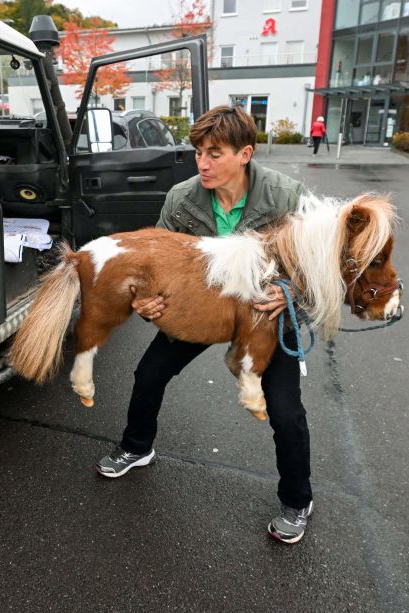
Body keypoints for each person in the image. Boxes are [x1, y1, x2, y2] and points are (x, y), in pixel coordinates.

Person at [94, 104, 315, 545]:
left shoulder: (288, 197)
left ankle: (297, 500)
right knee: (148, 374)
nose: (203, 163)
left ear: (246, 153)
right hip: (203, 308)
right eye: (198, 152)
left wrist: (289, 292)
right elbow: (153, 259)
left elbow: (317, 267)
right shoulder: (182, 198)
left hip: (262, 314)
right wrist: (144, 298)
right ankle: (137, 447)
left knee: (286, 412)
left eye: (215, 153)